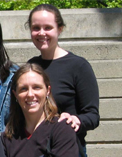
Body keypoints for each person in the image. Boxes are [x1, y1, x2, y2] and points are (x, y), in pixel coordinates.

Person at [27, 4, 100, 148]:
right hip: (35, 149)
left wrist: (75, 120)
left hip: (68, 149)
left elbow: (92, 116)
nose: (41, 33)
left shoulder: (78, 66)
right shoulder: (31, 66)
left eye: (48, 27)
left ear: (59, 29)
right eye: (36, 28)